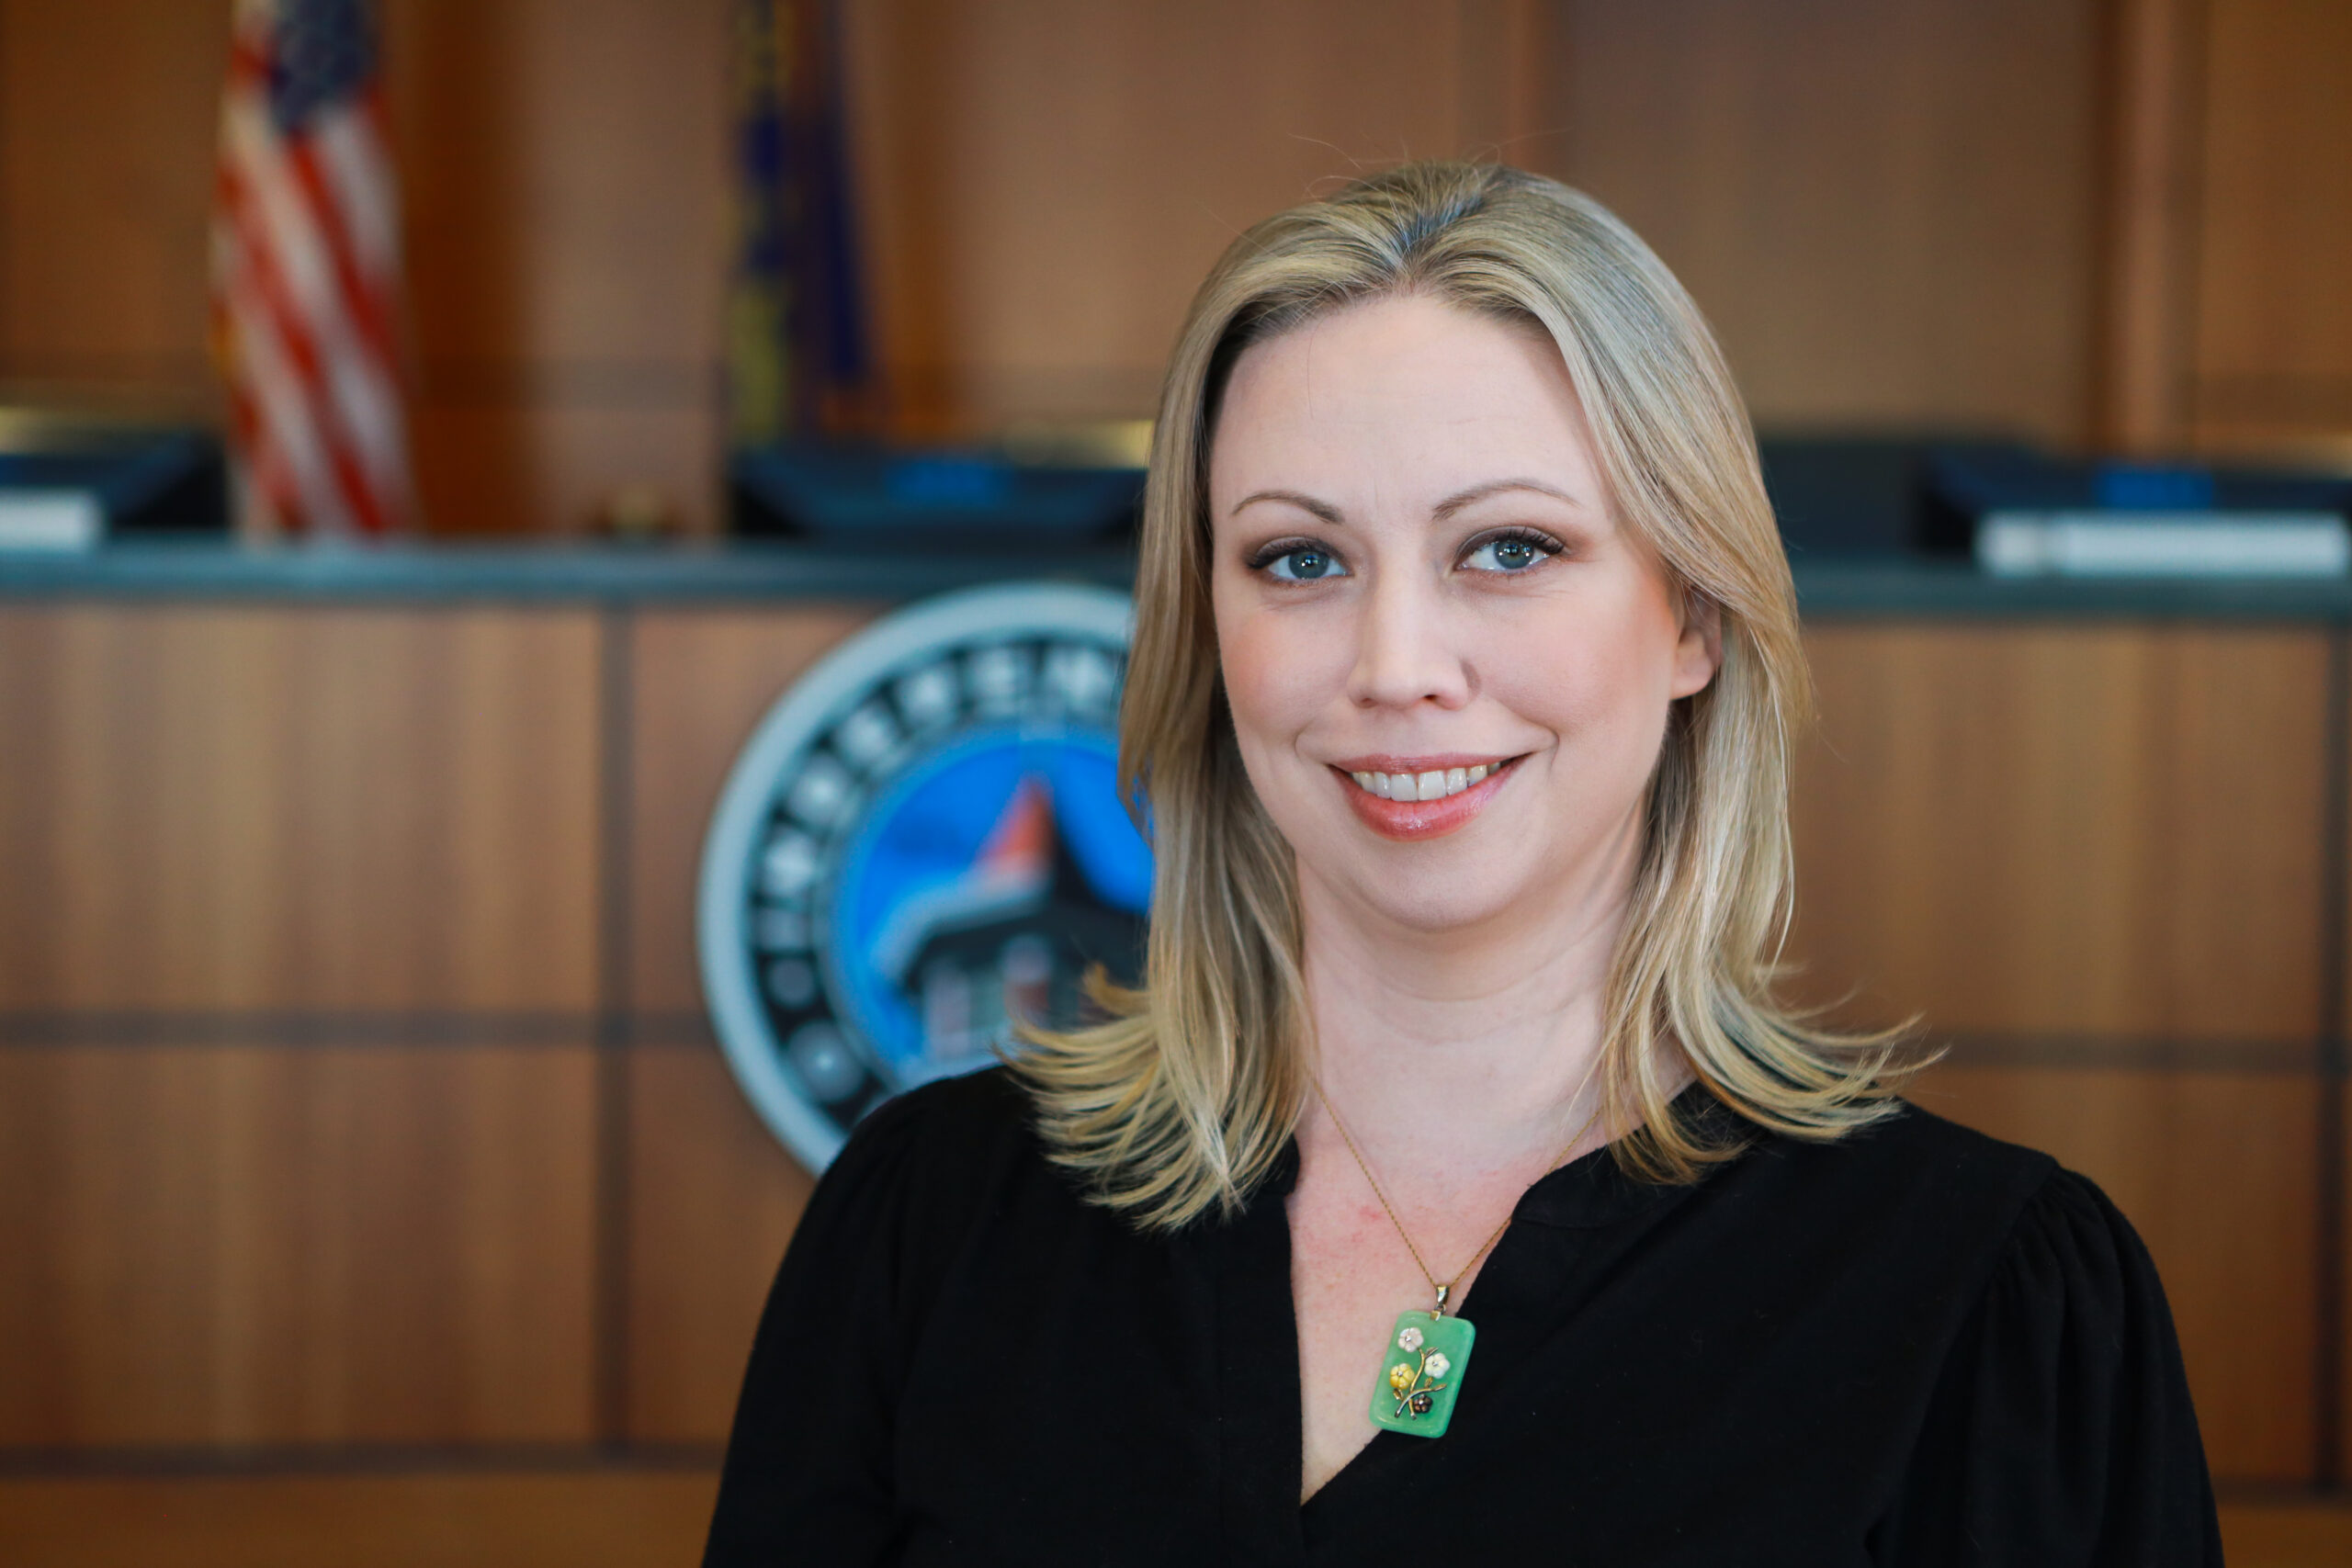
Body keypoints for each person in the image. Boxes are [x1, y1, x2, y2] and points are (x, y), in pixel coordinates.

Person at [703, 162, 2220, 1565]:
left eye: (1508, 548)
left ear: (1692, 614)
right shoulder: (933, 1222)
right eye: (1301, 559)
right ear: (1206, 627)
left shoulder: (1986, 1302)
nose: (1396, 664)